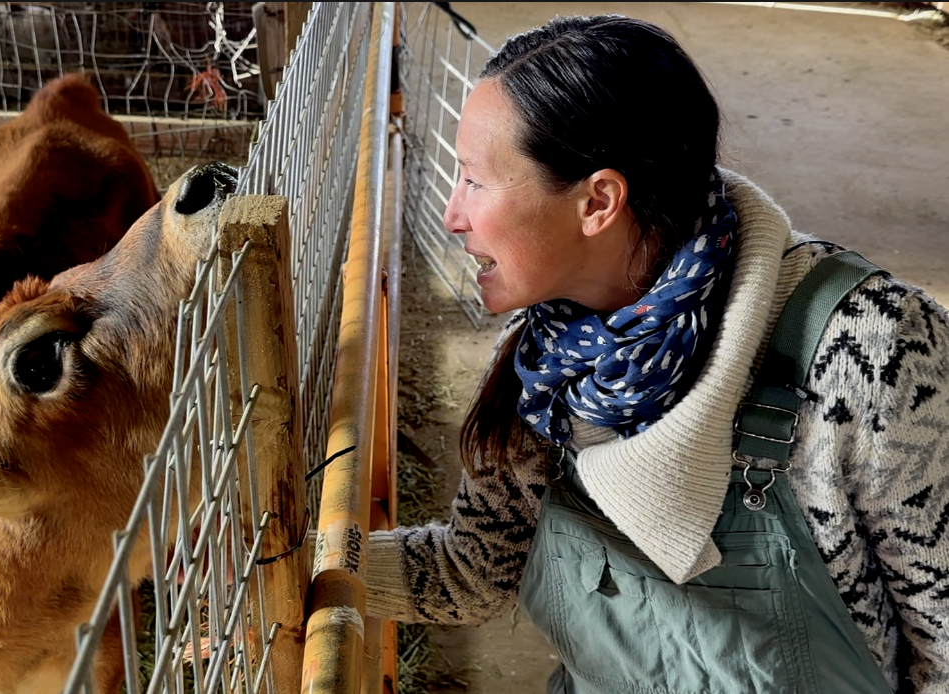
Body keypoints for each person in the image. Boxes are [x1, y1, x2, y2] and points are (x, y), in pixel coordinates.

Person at [365, 14, 948, 693]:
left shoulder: (872, 352)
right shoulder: (548, 365)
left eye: (473, 180)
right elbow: (474, 572)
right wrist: (306, 564)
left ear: (598, 201)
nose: (452, 215)